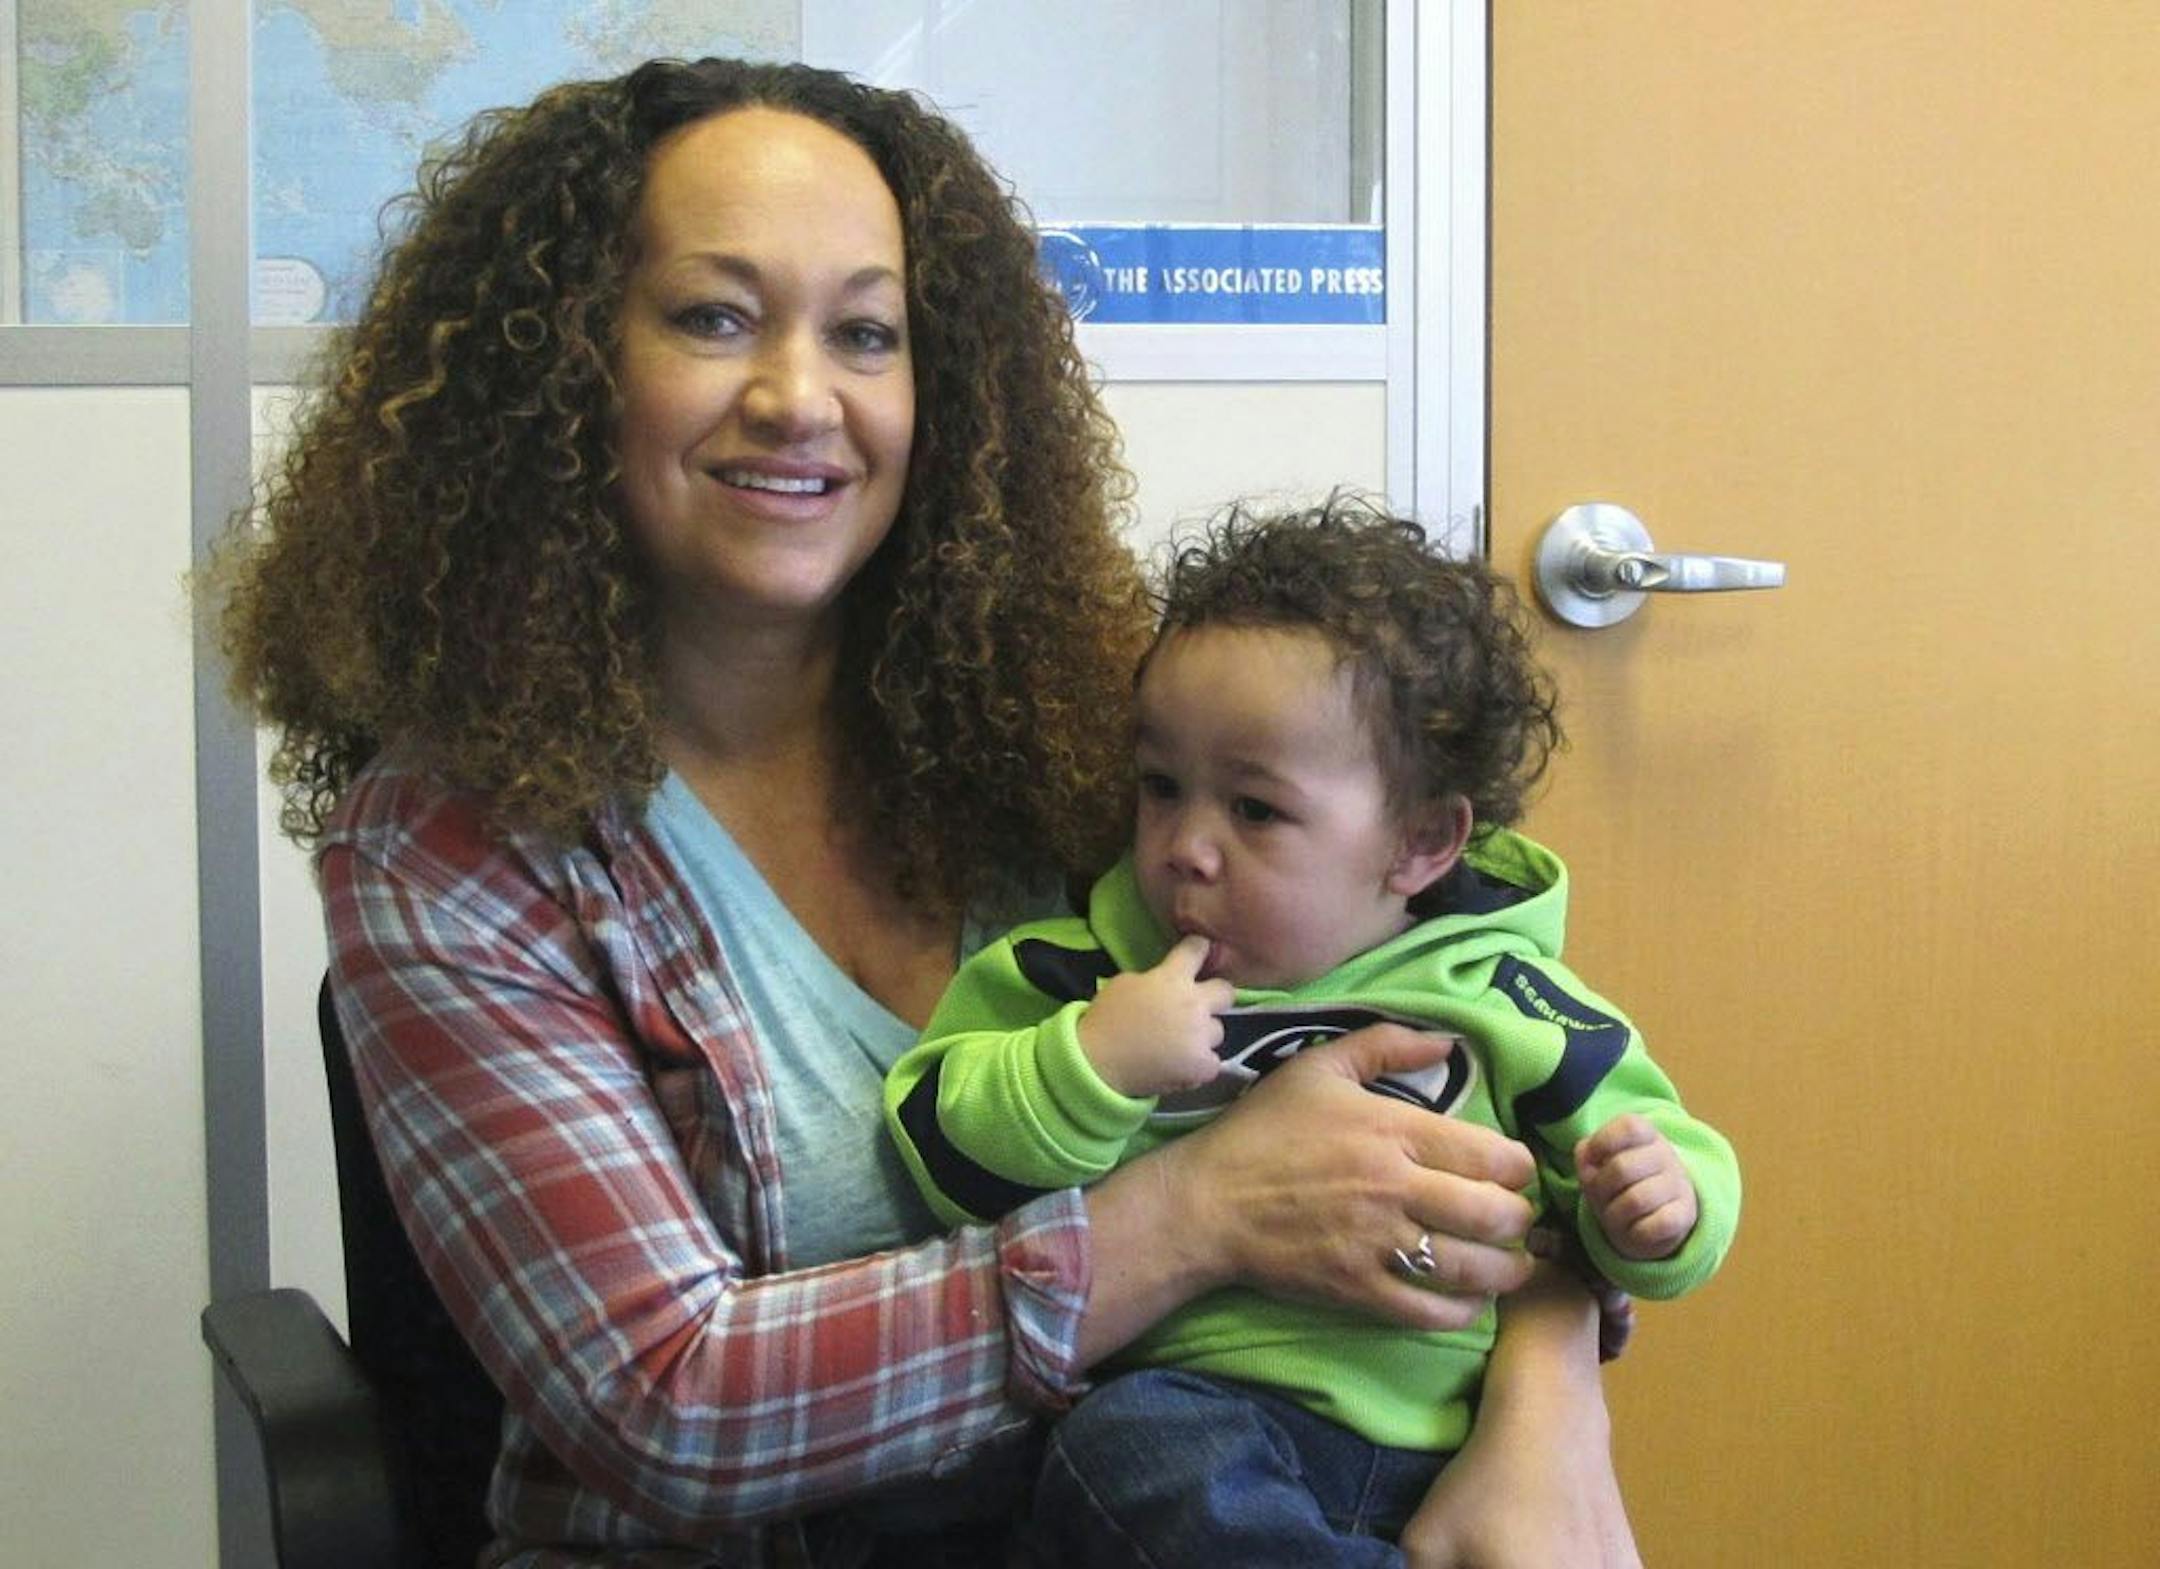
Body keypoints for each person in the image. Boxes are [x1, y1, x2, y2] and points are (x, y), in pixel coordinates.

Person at [219, 55, 1641, 1568]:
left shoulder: (1090, 741)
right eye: (713, 316)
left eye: (866, 333)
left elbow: (1463, 1032)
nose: (797, 397)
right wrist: (1198, 1215)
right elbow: (666, 1405)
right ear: (566, 367)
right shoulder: (453, 840)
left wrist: (1549, 1388)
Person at [887, 499, 1741, 1565]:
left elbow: (1658, 1160)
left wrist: (1659, 1211)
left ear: (1420, 843)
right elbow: (935, 1148)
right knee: (1120, 1452)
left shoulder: (1506, 991)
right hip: (1208, 1427)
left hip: (1453, 1443)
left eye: (1254, 810)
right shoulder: (1082, 975)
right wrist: (1088, 1067)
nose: (1186, 848)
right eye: (1161, 789)